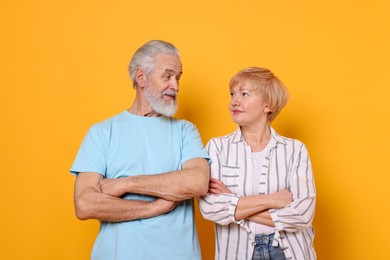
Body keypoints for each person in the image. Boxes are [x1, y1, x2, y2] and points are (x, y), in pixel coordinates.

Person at [70, 40, 210, 260]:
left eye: (178, 78)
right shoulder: (102, 132)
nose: (176, 86)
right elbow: (85, 204)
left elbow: (197, 182)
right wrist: (154, 208)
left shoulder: (185, 131)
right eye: (168, 76)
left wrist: (125, 183)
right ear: (141, 77)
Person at [199, 67, 316, 260]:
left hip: (290, 252)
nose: (233, 102)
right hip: (238, 253)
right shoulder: (218, 147)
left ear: (267, 105)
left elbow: (303, 214)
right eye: (232, 94)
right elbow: (211, 208)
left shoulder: (295, 150)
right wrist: (273, 200)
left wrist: (232, 200)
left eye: (244, 94)